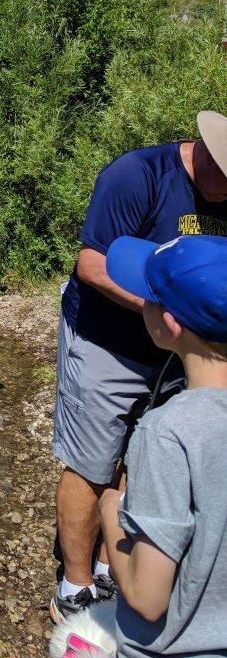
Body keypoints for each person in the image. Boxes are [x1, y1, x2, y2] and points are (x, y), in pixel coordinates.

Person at [50, 110, 227, 623]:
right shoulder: (136, 176)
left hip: (178, 350)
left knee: (143, 454)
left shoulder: (222, 188)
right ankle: (76, 584)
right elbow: (90, 264)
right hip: (108, 341)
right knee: (90, 462)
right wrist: (166, 307)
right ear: (204, 151)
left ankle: (113, 566)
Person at [99, 233, 227, 658]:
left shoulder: (167, 432)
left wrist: (110, 512)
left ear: (169, 324)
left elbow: (147, 598)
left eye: (148, 297)